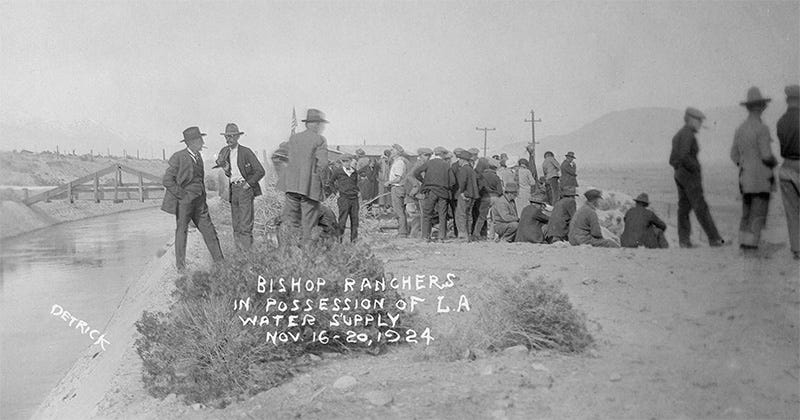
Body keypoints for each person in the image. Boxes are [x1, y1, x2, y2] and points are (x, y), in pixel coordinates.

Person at [161, 126, 224, 270]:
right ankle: (181, 267)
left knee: (209, 230)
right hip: (184, 202)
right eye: (200, 140)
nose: (202, 143)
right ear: (192, 142)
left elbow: (199, 179)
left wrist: (202, 196)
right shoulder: (178, 157)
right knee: (182, 231)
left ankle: (220, 263)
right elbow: (167, 180)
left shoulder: (198, 157)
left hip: (200, 202)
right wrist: (182, 195)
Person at [669, 107, 726, 248]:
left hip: (679, 175)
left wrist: (679, 168)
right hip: (689, 176)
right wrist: (695, 167)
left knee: (683, 208)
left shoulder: (678, 135)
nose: (700, 124)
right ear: (691, 120)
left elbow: (672, 159)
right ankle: (715, 239)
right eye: (699, 120)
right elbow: (683, 155)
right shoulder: (688, 134)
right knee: (701, 207)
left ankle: (684, 241)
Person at [731, 87, 779, 251]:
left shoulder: (740, 129)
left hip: (744, 178)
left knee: (746, 214)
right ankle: (751, 248)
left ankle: (744, 245)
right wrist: (774, 162)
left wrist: (745, 165)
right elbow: (766, 155)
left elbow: (734, 155)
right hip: (761, 179)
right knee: (757, 215)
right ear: (760, 107)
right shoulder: (762, 128)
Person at [214, 123, 265, 251]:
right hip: (233, 190)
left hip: (245, 189)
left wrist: (248, 184)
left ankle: (247, 256)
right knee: (236, 226)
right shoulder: (225, 152)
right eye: (226, 136)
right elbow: (229, 172)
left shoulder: (246, 152)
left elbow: (260, 171)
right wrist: (226, 169)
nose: (228, 139)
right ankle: (239, 256)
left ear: (237, 137)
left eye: (231, 136)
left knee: (245, 226)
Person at [282, 108, 330, 242]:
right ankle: (306, 258)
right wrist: (324, 184)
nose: (322, 128)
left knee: (292, 224)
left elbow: (283, 158)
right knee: (309, 226)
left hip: (291, 187)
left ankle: (291, 257)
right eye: (321, 125)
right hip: (309, 189)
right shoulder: (320, 139)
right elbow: (323, 165)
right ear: (316, 124)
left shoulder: (294, 138)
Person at [413, 146, 455, 242]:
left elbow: (416, 172)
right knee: (442, 215)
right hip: (443, 193)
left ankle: (425, 237)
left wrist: (423, 181)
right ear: (443, 154)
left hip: (430, 191)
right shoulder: (446, 165)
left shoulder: (429, 163)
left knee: (427, 214)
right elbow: (452, 181)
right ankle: (441, 237)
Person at [778, 84, 800, 260]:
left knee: (792, 212)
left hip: (785, 167)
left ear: (787, 101)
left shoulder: (781, 121)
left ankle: (797, 249)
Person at [329, 154, 360, 243]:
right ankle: (339, 241)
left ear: (351, 161)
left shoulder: (354, 172)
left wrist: (357, 192)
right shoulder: (338, 171)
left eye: (348, 161)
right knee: (342, 221)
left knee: (355, 222)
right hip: (344, 199)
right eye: (344, 162)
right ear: (342, 162)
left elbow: (355, 184)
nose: (346, 163)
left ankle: (354, 242)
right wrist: (336, 192)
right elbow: (330, 182)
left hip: (354, 199)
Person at [405, 147, 432, 238]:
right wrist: (416, 186)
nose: (428, 157)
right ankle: (414, 234)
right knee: (418, 214)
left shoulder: (424, 164)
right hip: (418, 193)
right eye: (425, 155)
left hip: (420, 192)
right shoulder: (419, 164)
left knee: (420, 213)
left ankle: (415, 233)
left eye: (429, 155)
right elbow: (409, 176)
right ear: (420, 156)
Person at [455, 149, 479, 241]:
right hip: (473, 195)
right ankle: (468, 234)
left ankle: (462, 235)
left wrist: (461, 192)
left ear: (463, 160)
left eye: (460, 159)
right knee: (469, 215)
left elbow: (462, 182)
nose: (459, 161)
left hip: (465, 195)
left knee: (461, 214)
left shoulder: (463, 169)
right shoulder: (472, 170)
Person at [386, 144, 409, 237]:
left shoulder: (399, 162)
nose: (391, 152)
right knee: (400, 211)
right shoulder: (397, 162)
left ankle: (402, 232)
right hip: (398, 187)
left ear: (397, 152)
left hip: (397, 187)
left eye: (392, 150)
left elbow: (398, 178)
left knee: (399, 211)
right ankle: (403, 230)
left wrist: (389, 182)